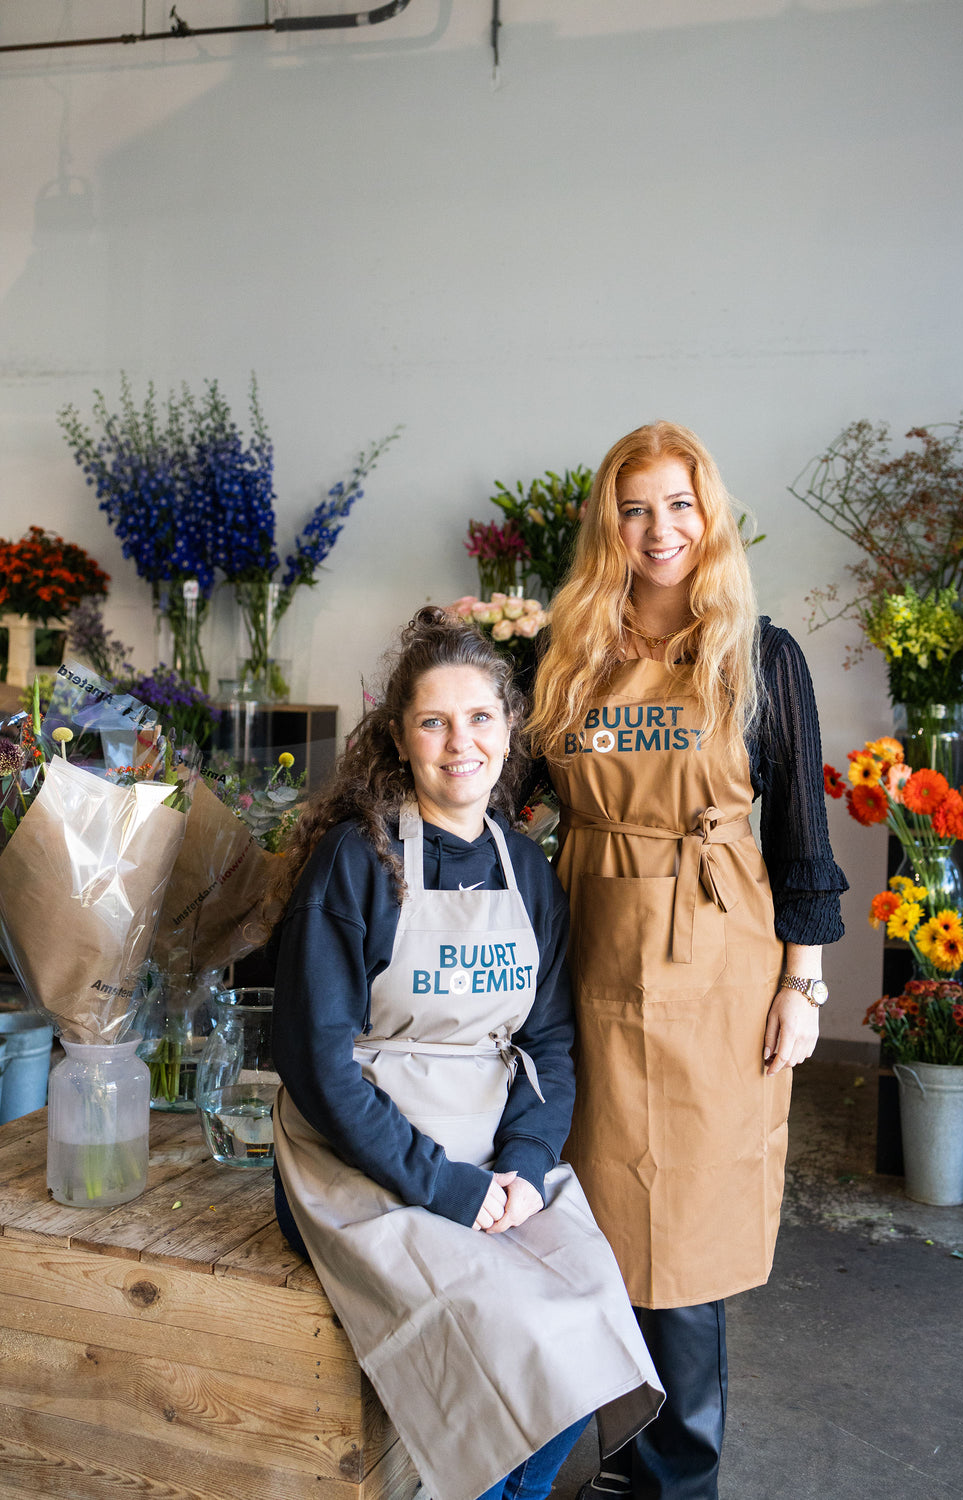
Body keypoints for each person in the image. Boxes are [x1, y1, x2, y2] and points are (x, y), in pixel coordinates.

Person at [268, 607, 663, 1500]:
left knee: (591, 1306)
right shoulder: (357, 862)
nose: (459, 743)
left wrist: (524, 1166)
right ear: (400, 739)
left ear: (509, 730)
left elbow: (551, 1042)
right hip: (356, 1159)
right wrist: (449, 1188)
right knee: (495, 1313)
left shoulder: (527, 871)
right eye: (433, 722)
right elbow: (319, 1064)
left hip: (490, 1146)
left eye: (479, 718)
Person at [526, 423, 848, 1500]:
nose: (657, 529)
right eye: (633, 507)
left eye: (677, 504)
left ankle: (679, 1476)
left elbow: (804, 841)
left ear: (708, 517)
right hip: (588, 951)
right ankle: (614, 1456)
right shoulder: (568, 651)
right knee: (593, 1214)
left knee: (688, 1227)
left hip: (715, 964)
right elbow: (515, 798)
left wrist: (801, 985)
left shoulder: (760, 655)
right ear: (606, 526)